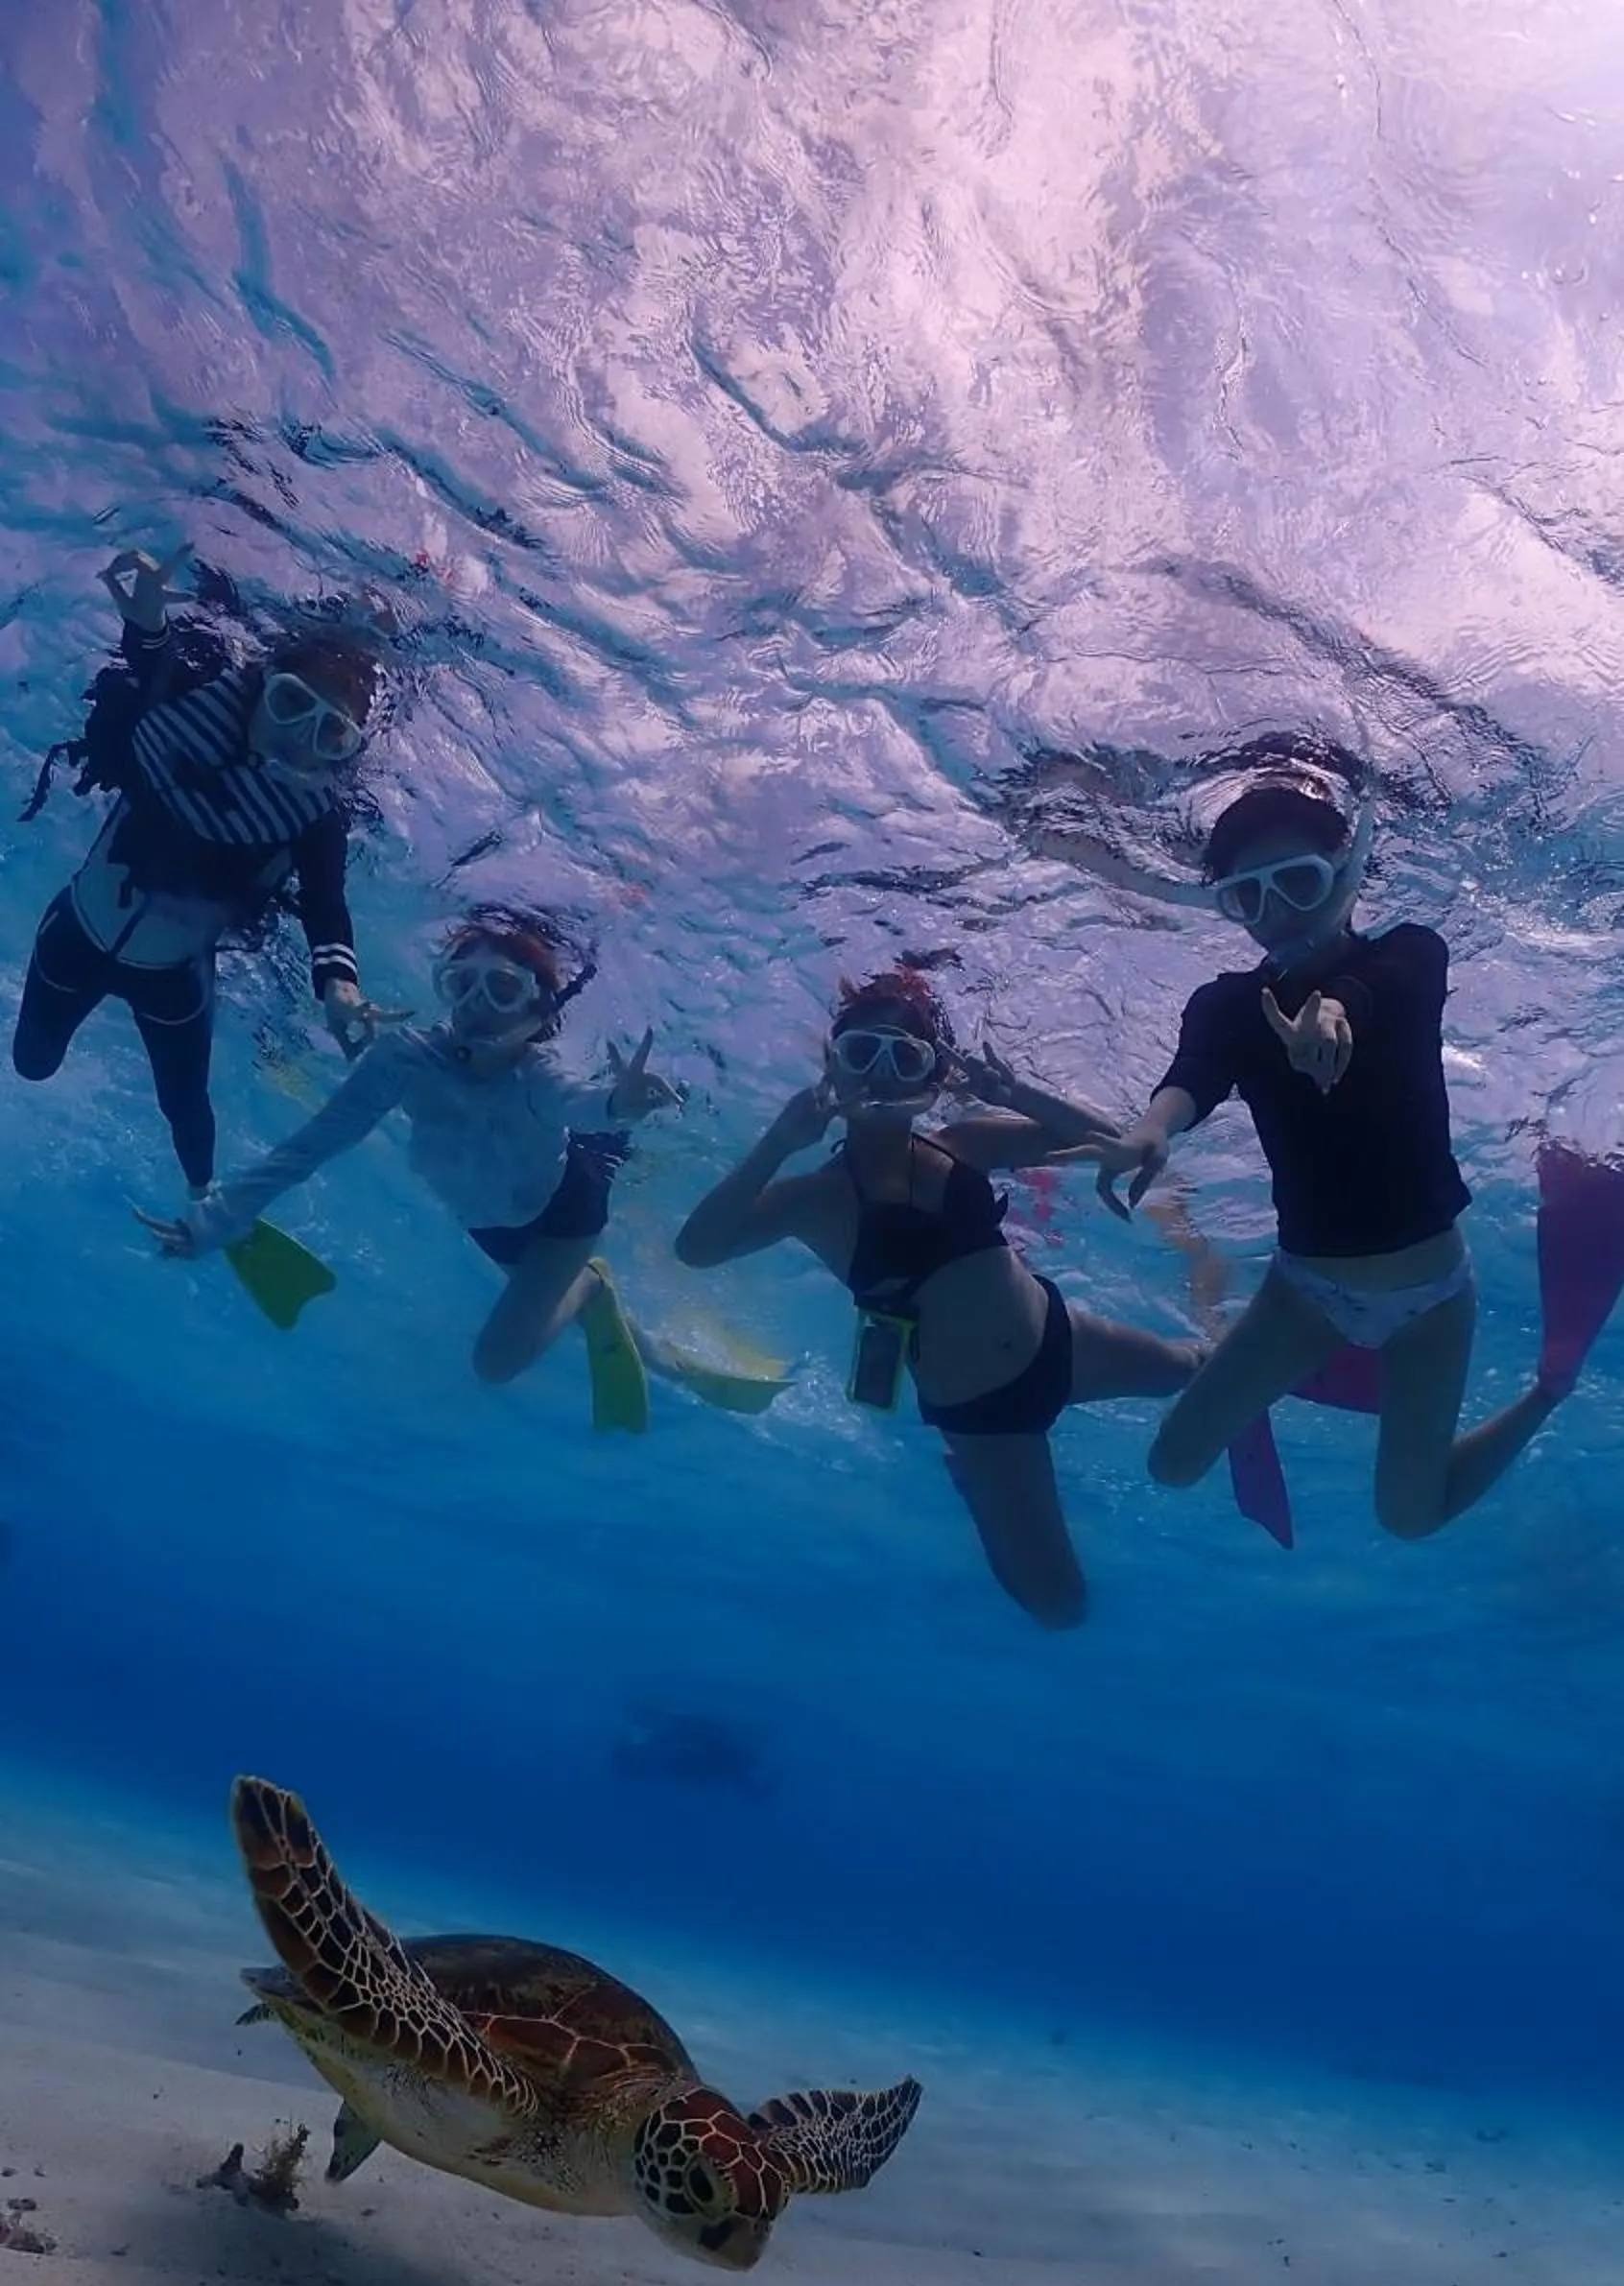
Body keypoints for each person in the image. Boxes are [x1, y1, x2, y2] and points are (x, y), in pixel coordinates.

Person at [1019, 771, 1624, 1538]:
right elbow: (1195, 1075)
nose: (1277, 915)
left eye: (1299, 882)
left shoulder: (1413, 954)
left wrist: (1334, 1007)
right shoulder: (1228, 1005)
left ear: (1344, 877)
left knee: (1411, 1517)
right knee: (1169, 1466)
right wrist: (1152, 1131)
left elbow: (1383, 987)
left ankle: (1549, 1389)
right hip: (1303, 1291)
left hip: (1430, 1301)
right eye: (1249, 897)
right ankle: (1237, 1362)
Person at [674, 969, 1201, 1627]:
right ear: (833, 1067)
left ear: (931, 1078)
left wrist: (1018, 1094)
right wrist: (778, 1142)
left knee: (1190, 1369)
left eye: (906, 1056)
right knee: (1059, 1606)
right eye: (863, 1053)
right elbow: (697, 1248)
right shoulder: (815, 1197)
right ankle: (974, 1492)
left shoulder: (965, 1142)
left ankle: (1277, 1352)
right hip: (986, 1416)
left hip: (1063, 1339)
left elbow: (1118, 1148)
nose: (882, 1074)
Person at [137, 910, 686, 1427]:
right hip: (493, 1226)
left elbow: (581, 1104)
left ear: (537, 1014)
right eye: (460, 983)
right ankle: (646, 1344)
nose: (475, 1004)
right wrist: (216, 1218)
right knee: (538, 1304)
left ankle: (591, 1288)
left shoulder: (536, 1073)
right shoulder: (403, 1059)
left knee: (494, 1363)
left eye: (501, 989)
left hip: (564, 1214)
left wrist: (620, 1105)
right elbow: (312, 1145)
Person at [13, 545, 392, 1198]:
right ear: (262, 686)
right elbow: (153, 661)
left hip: (174, 981)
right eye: (291, 703)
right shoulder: (197, 704)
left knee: (186, 1109)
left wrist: (341, 989)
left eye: (330, 735)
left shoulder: (312, 817)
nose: (299, 737)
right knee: (31, 1066)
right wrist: (146, 618)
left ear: (344, 753)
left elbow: (327, 907)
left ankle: (204, 1201)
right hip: (74, 936)